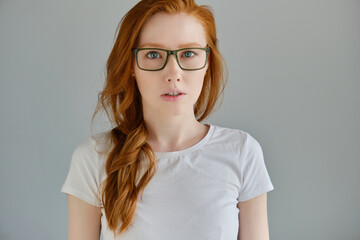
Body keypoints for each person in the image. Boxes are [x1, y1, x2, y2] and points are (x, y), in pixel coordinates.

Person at [61, 0, 275, 239]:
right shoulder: (94, 157)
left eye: (189, 54)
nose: (173, 74)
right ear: (131, 65)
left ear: (207, 63)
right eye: (153, 54)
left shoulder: (242, 152)